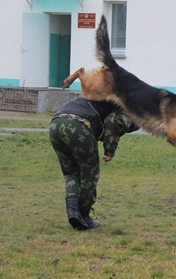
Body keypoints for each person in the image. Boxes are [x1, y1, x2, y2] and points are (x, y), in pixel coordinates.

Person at [49, 97, 138, 230]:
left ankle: (73, 211)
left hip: (56, 124)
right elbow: (112, 122)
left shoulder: (98, 98)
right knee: (89, 173)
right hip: (79, 124)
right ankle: (84, 216)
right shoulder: (125, 110)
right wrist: (110, 150)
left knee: (71, 172)